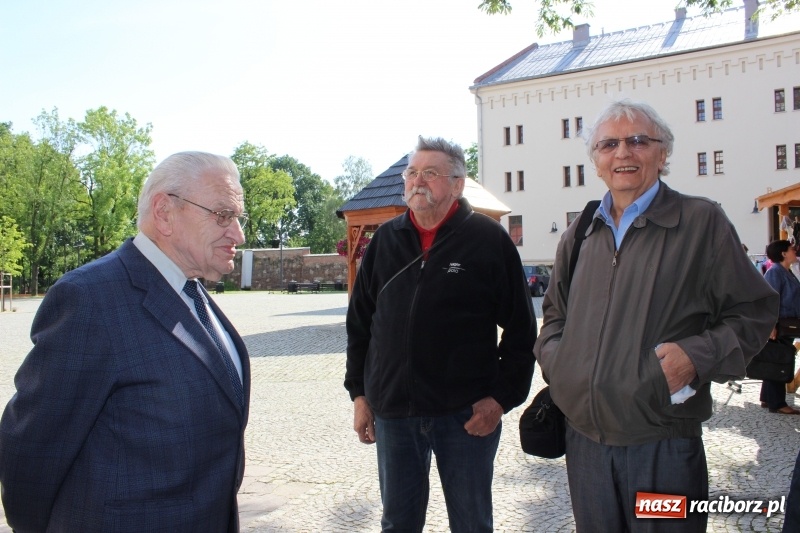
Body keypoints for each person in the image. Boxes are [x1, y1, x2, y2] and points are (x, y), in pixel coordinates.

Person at [534, 100, 778, 532]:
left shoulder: (701, 221)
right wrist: (562, 366)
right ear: (596, 161)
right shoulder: (582, 229)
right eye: (609, 144)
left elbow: (754, 311)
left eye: (638, 141)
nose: (623, 153)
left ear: (663, 153)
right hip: (585, 446)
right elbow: (554, 315)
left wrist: (697, 357)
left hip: (662, 448)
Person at [0, 152, 251, 532]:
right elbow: (31, 451)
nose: (238, 234)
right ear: (164, 212)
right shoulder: (89, 299)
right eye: (222, 215)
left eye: (238, 218)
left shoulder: (193, 292)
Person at [345, 136, 536, 532]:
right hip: (395, 412)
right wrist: (360, 395)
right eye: (412, 173)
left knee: (471, 523)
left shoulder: (488, 240)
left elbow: (522, 330)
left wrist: (500, 399)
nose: (418, 181)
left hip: (465, 416)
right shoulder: (384, 241)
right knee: (397, 523)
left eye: (430, 173)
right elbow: (360, 325)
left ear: (457, 184)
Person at [760, 240, 800, 414]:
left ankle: (768, 398)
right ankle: (777, 402)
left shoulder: (785, 271)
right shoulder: (776, 272)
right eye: (792, 249)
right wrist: (771, 325)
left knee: (775, 357)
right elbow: (770, 300)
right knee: (779, 360)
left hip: (786, 322)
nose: (795, 251)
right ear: (783, 253)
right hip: (781, 323)